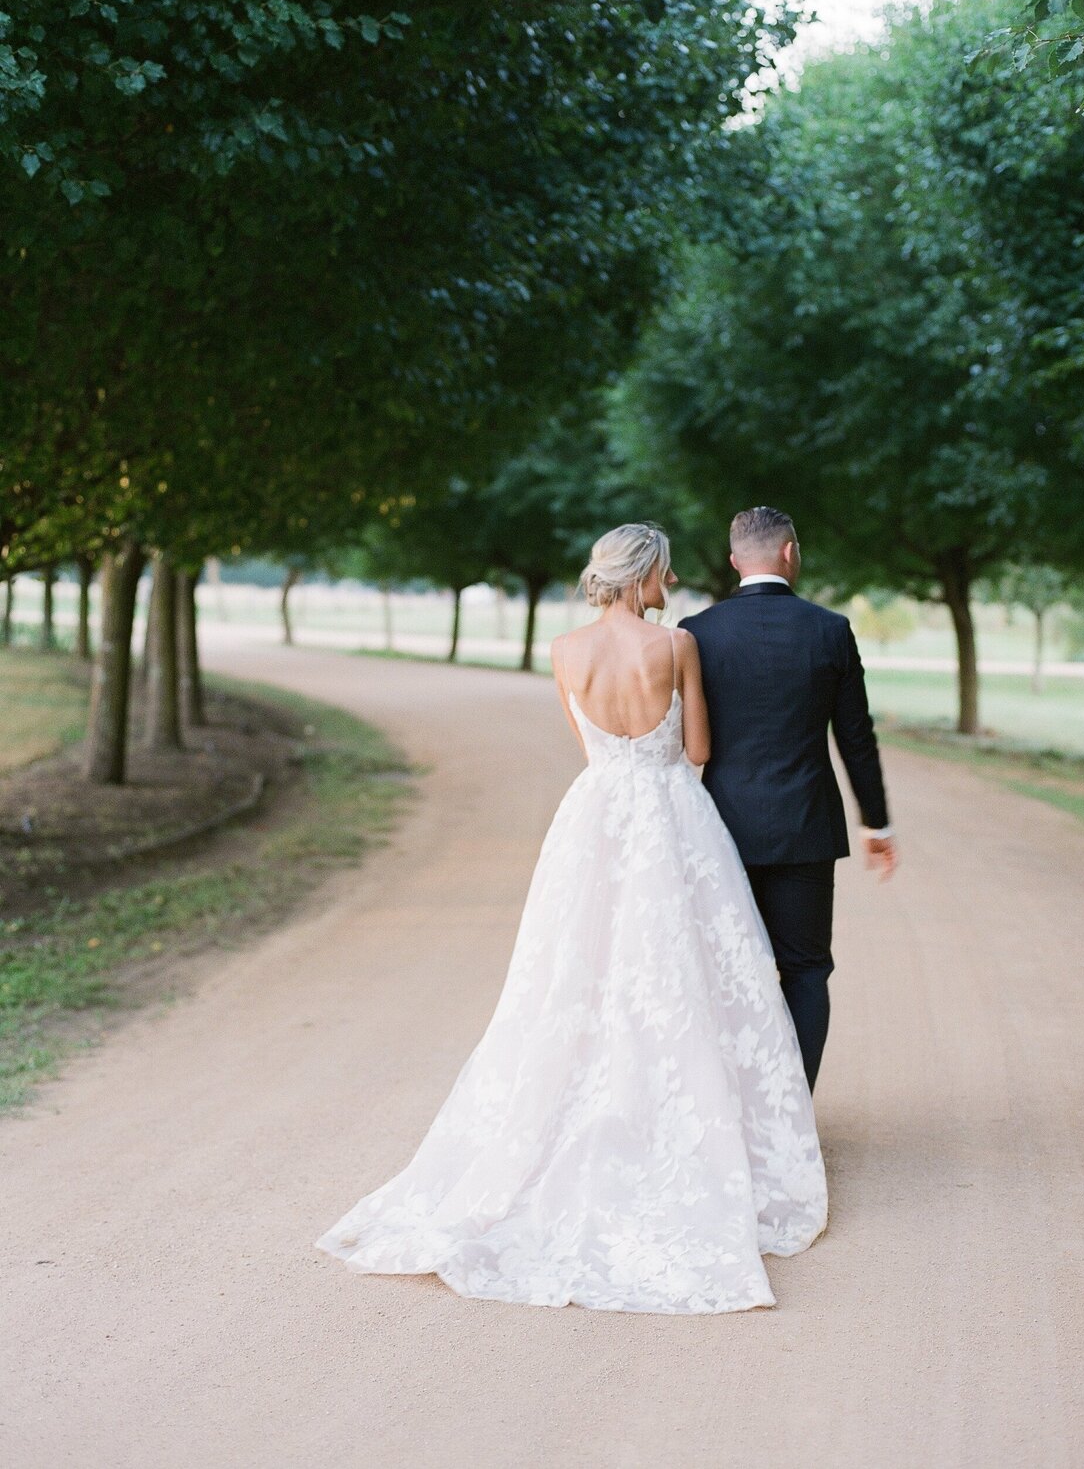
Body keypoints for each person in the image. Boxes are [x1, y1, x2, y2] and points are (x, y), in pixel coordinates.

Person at [316, 522, 826, 1314]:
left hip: (595, 821)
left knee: (575, 975)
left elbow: (595, 750)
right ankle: (677, 1129)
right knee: (683, 978)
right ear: (641, 576)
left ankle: (580, 1119)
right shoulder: (675, 648)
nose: (672, 582)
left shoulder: (564, 651)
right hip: (671, 822)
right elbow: (696, 750)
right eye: (664, 572)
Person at [680, 506, 896, 1091]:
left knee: (729, 974)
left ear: (733, 562)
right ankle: (792, 1113)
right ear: (790, 553)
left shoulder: (697, 632)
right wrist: (877, 824)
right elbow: (857, 737)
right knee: (803, 970)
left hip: (721, 829)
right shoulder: (829, 630)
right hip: (805, 829)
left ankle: (739, 1114)